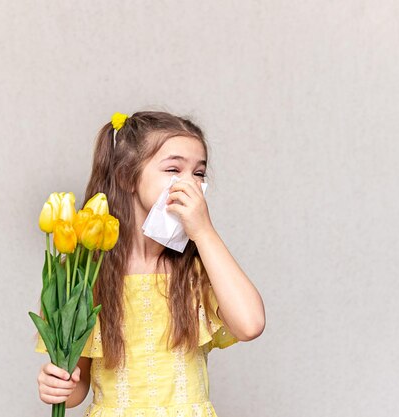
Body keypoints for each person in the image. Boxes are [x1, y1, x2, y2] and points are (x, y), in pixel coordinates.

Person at [34, 110, 266, 416]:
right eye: (173, 169)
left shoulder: (197, 269)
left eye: (198, 173)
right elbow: (77, 388)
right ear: (127, 176)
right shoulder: (85, 275)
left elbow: (250, 325)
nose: (190, 184)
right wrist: (57, 383)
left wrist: (204, 231)